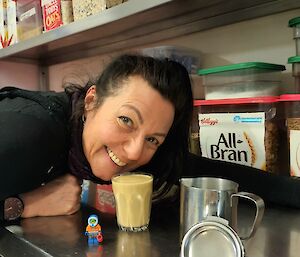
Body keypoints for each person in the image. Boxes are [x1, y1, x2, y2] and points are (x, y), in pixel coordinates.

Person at [0, 54, 193, 221]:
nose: (134, 153)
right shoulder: (31, 132)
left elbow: (180, 165)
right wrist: (25, 205)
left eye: (152, 140)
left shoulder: (92, 140)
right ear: (91, 101)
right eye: (126, 120)